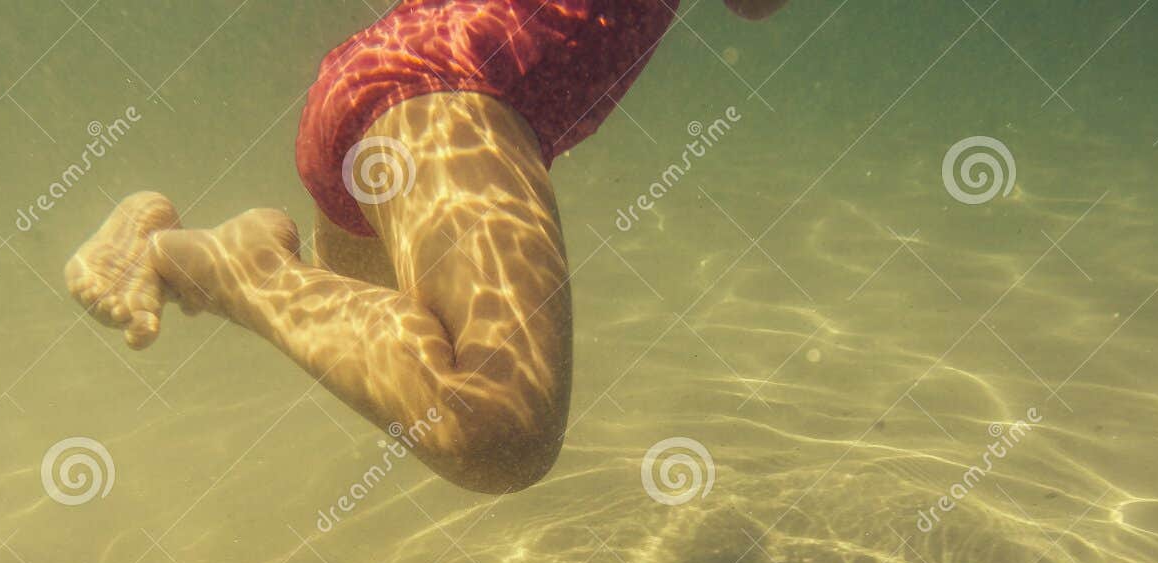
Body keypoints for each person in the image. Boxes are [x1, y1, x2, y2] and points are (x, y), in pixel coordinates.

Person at [65, 0, 789, 494]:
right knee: (496, 424)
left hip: (398, 88)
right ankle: (237, 267)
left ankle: (202, 255)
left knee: (398, 344)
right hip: (445, 96)